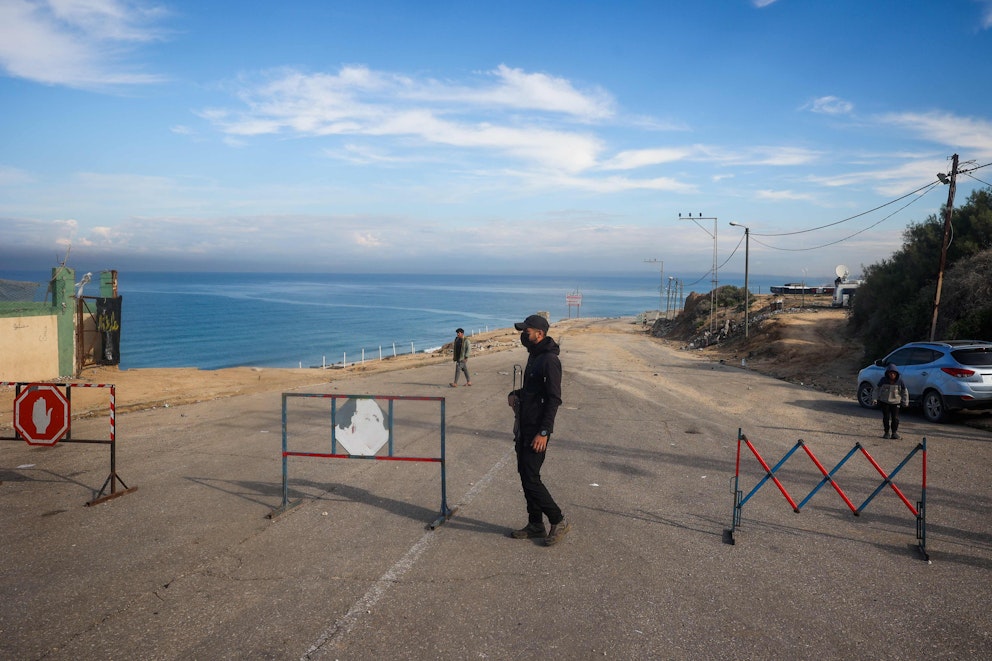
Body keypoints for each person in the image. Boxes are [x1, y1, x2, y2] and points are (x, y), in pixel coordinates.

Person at [507, 314, 570, 546]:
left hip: (537, 429)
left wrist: (544, 432)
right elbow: (533, 391)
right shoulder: (534, 356)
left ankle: (558, 519)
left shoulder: (549, 360)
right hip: (525, 424)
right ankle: (535, 524)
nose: (524, 334)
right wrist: (516, 395)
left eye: (527, 331)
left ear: (539, 334)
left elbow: (554, 399)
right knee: (525, 475)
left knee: (531, 477)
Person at [872, 363, 909, 439]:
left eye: (894, 373)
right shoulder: (883, 380)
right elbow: (876, 389)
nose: (892, 375)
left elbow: (904, 392)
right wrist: (875, 399)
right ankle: (886, 432)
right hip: (885, 402)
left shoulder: (900, 381)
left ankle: (894, 432)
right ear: (887, 373)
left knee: (895, 418)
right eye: (890, 373)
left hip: (896, 402)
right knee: (886, 417)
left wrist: (905, 402)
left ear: (896, 374)